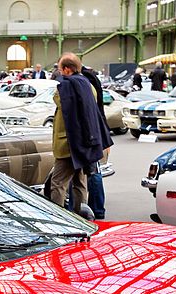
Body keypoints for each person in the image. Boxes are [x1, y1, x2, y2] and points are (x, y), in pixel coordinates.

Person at [50, 53, 113, 217]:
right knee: (80, 182)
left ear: (67, 69)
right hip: (85, 143)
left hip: (68, 145)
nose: (59, 73)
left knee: (58, 183)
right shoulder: (88, 85)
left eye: (60, 69)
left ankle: (58, 220)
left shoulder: (67, 86)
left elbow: (60, 103)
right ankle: (80, 216)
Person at [81, 65, 110, 219]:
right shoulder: (91, 78)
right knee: (94, 171)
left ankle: (97, 209)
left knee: (92, 172)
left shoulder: (84, 81)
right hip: (96, 131)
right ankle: (97, 208)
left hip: (90, 133)